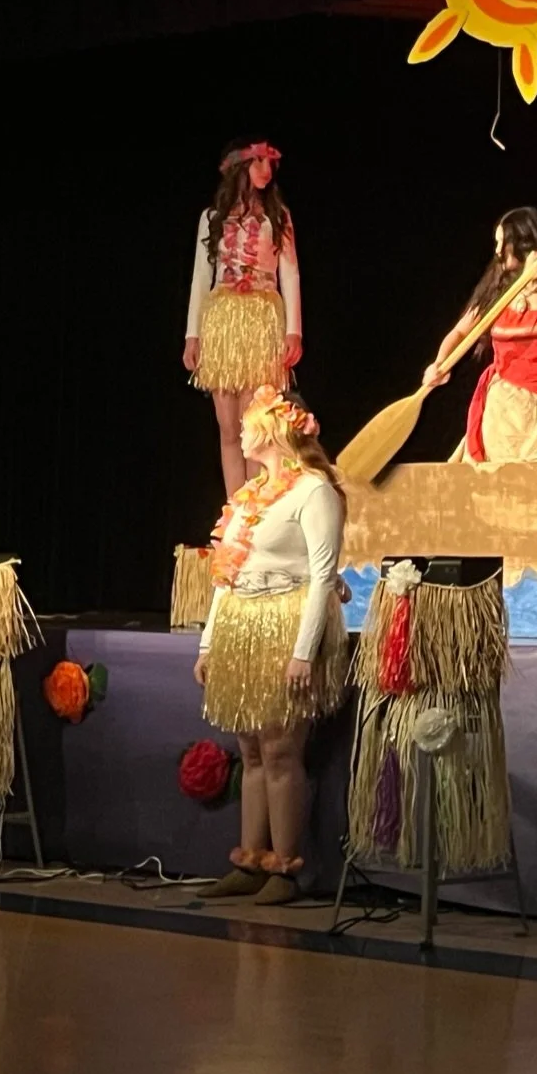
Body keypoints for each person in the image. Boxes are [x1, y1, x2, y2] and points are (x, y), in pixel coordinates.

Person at [192, 387, 348, 904]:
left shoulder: (314, 491)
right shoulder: (249, 496)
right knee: (251, 748)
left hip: (287, 622)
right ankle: (250, 859)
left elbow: (323, 575)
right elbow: (226, 572)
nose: (239, 429)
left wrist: (304, 651)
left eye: (248, 421)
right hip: (242, 625)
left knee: (281, 748)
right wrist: (209, 644)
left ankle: (284, 866)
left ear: (276, 427)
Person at [184, 139, 302, 499]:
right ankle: (235, 507)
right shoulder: (212, 218)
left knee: (255, 423)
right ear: (240, 167)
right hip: (222, 322)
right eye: (259, 163)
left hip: (261, 320)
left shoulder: (277, 217)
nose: (267, 171)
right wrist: (192, 336)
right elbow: (201, 277)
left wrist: (293, 332)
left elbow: (290, 274)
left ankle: (257, 506)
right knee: (227, 426)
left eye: (271, 164)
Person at [427, 207, 537, 463]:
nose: (498, 251)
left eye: (504, 243)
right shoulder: (496, 291)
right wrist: (440, 362)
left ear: (525, 244)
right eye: (497, 242)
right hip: (502, 409)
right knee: (499, 481)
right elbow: (460, 331)